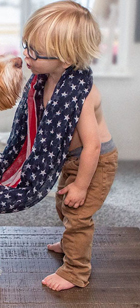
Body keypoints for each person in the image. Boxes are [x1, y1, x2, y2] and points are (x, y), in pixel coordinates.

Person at [21, 1, 118, 291]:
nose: (26, 55)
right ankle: (68, 243)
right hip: (71, 159)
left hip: (95, 162)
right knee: (63, 206)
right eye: (26, 45)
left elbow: (92, 147)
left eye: (34, 52)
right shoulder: (46, 78)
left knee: (78, 214)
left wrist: (81, 185)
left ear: (64, 59)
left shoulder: (81, 95)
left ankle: (76, 271)